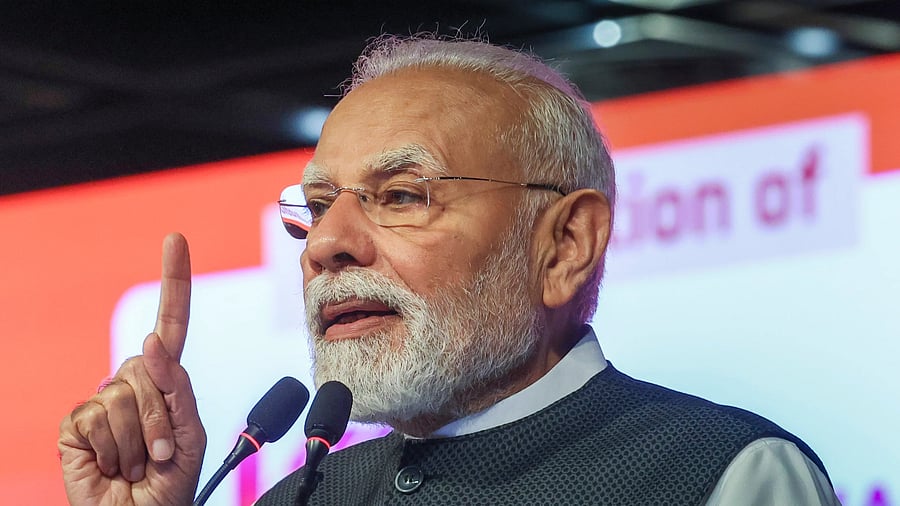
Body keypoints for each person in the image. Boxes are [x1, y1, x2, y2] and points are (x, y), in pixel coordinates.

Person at [59, 34, 840, 505]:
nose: (325, 244)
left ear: (565, 245)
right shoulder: (310, 495)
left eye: (400, 194)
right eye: (318, 205)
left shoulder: (716, 475)